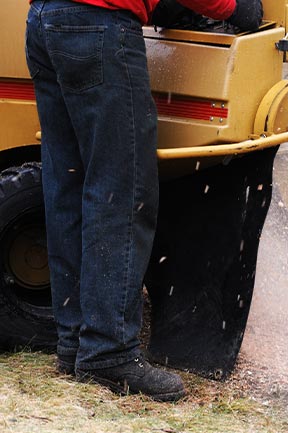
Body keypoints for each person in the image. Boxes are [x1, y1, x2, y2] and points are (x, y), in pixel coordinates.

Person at [24, 0, 262, 402]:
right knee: (121, 187)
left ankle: (76, 342)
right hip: (98, 26)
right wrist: (234, 8)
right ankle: (108, 351)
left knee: (68, 182)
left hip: (46, 20)